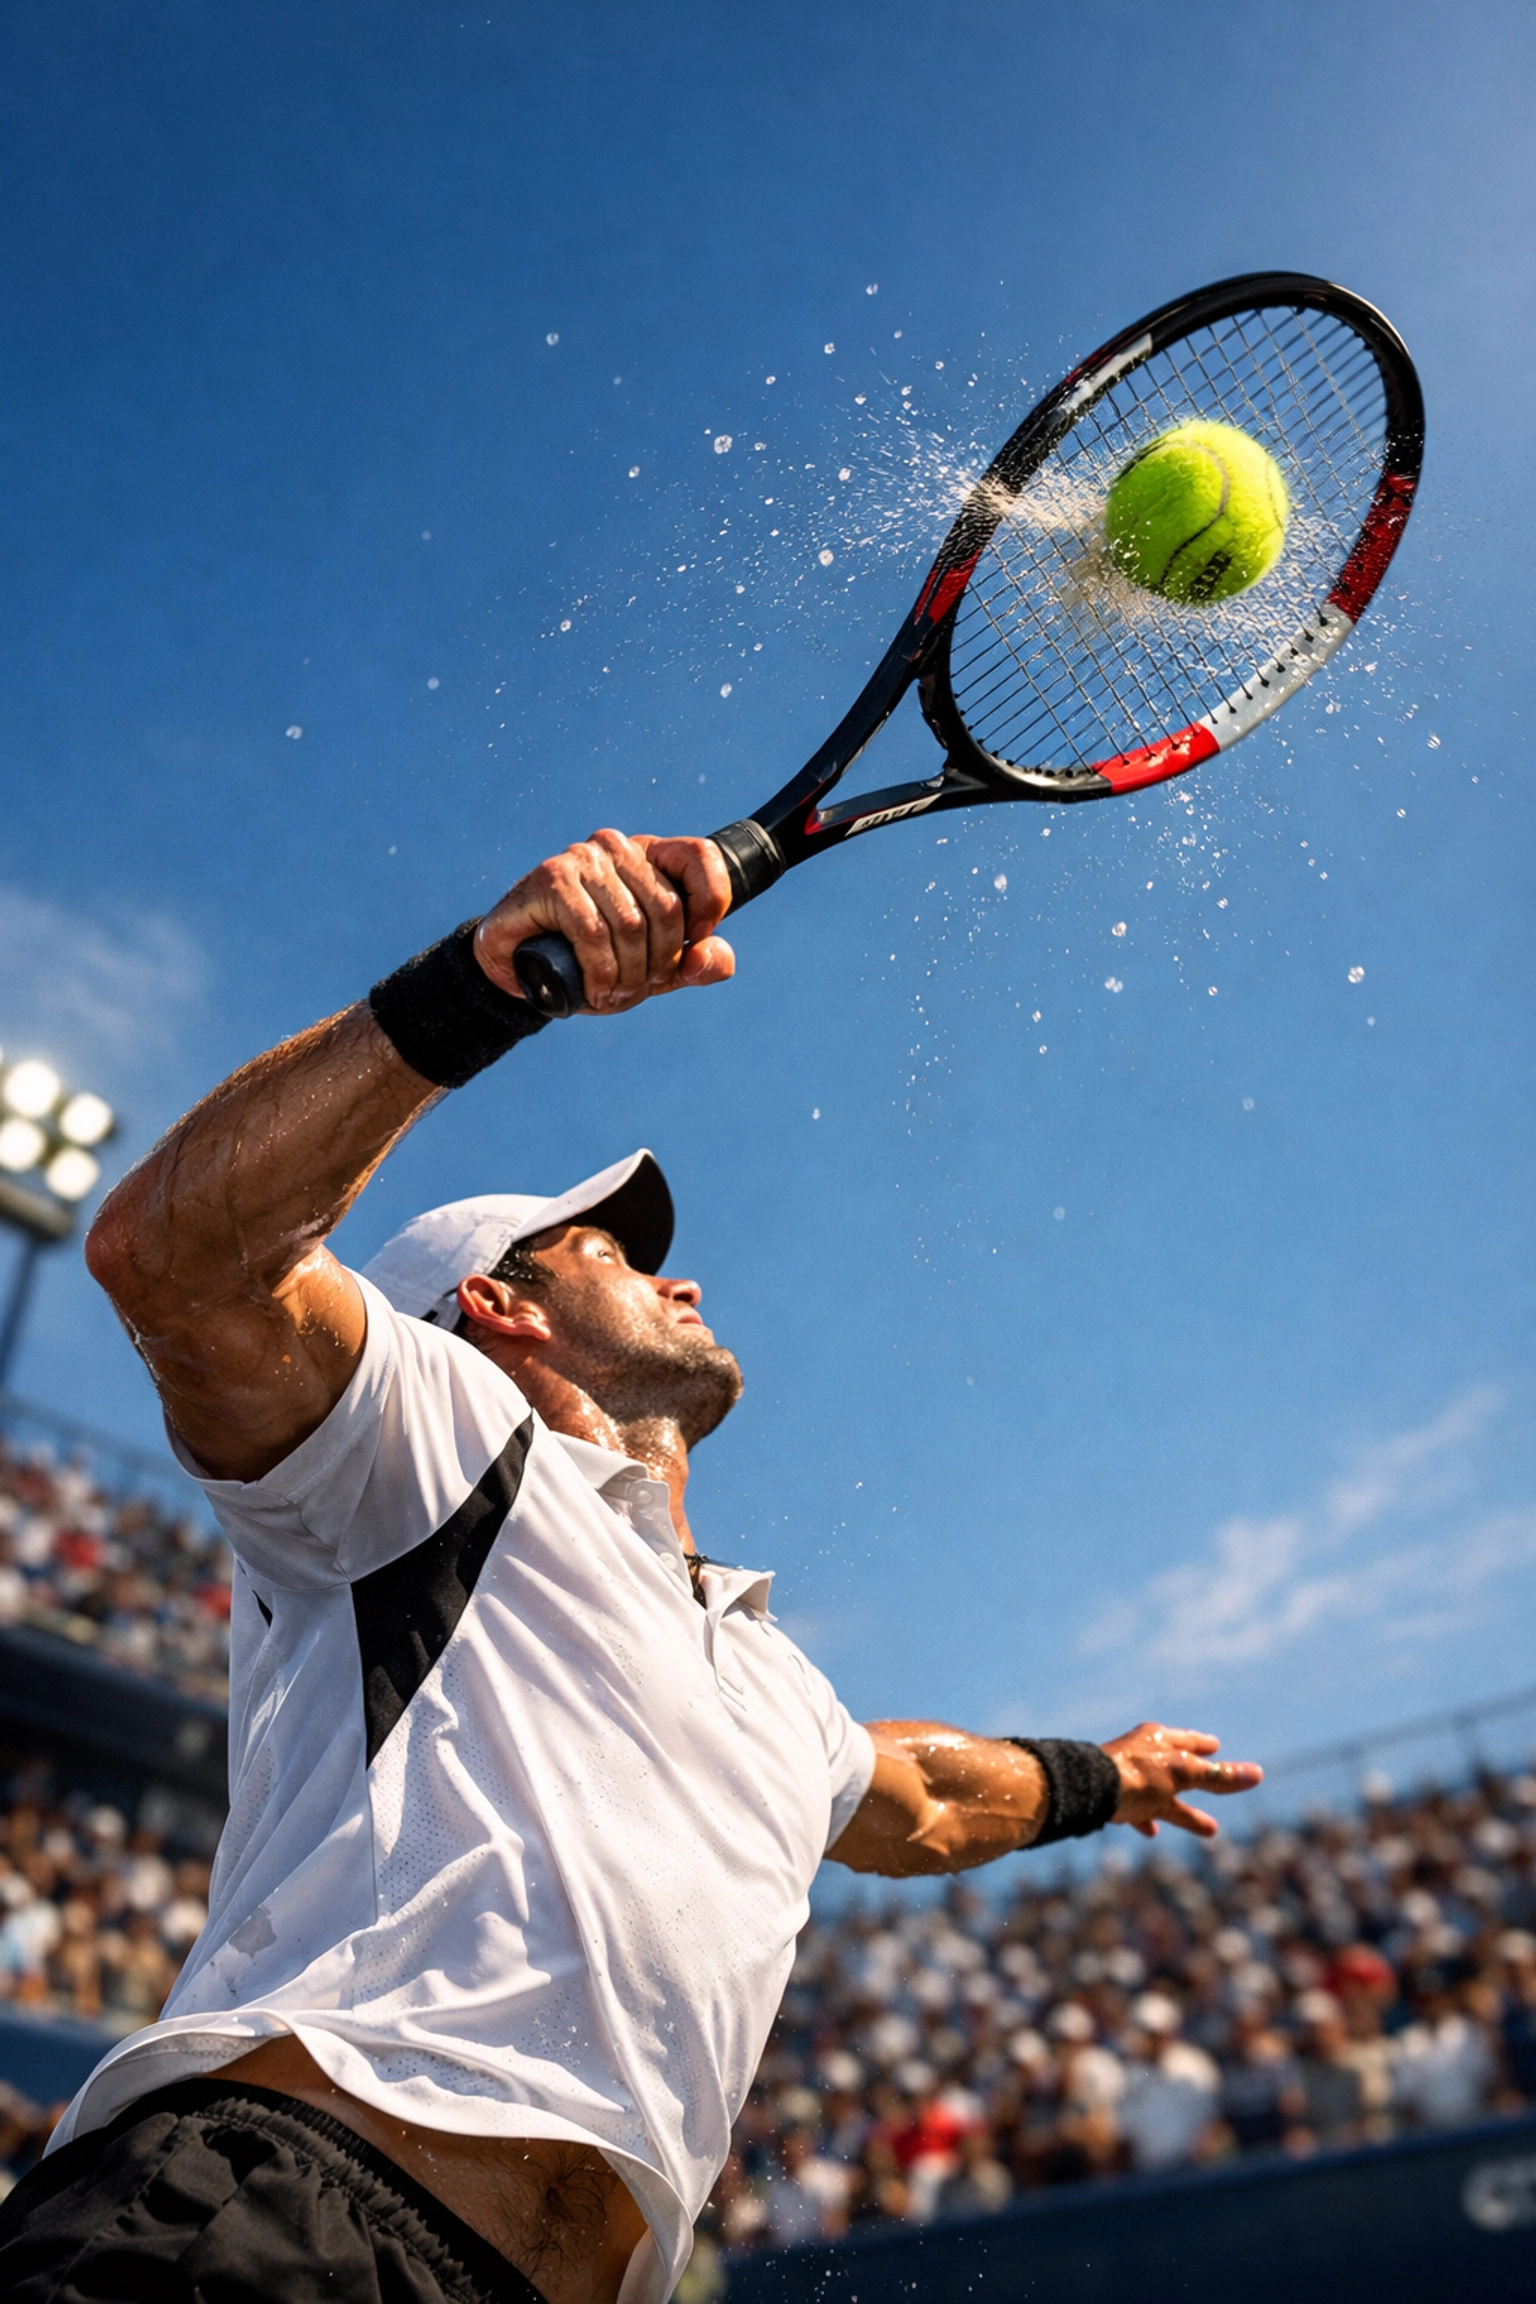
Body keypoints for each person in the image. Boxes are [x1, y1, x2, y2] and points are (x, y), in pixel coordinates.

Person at [0, 830, 1262, 2304]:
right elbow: (170, 1255)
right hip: (276, 2223)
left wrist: (1103, 1777)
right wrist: (481, 987)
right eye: (604, 1251)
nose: (682, 1276)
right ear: (492, 1307)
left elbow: (923, 1801)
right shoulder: (428, 1451)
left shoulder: (767, 1675)